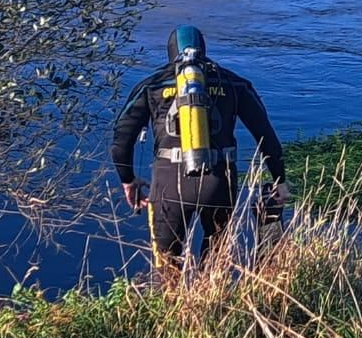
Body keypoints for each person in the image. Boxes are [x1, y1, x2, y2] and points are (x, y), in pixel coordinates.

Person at [111, 26, 288, 283]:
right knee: (215, 261)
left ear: (170, 52)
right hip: (219, 180)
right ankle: (210, 311)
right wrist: (279, 179)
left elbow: (120, 141)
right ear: (205, 50)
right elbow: (265, 135)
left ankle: (174, 314)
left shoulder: (152, 85)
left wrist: (128, 179)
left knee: (168, 266)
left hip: (170, 182)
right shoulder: (234, 83)